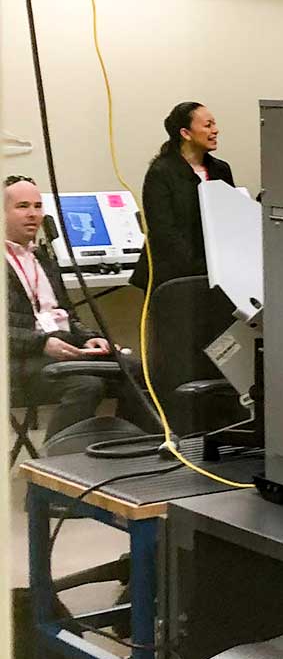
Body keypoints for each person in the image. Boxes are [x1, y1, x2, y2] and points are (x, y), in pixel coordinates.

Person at [6, 176, 142, 441]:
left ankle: (128, 448)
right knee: (86, 385)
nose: (33, 214)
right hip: (21, 360)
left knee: (134, 368)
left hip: (63, 348)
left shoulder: (43, 259)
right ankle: (50, 469)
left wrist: (89, 337)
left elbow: (69, 314)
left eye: (37, 206)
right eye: (22, 206)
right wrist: (41, 343)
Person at [129, 102, 235, 290]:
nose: (216, 130)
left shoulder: (221, 170)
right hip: (173, 277)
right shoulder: (161, 172)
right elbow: (164, 231)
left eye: (214, 124)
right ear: (185, 133)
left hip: (216, 275)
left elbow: (230, 220)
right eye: (208, 125)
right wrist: (199, 267)